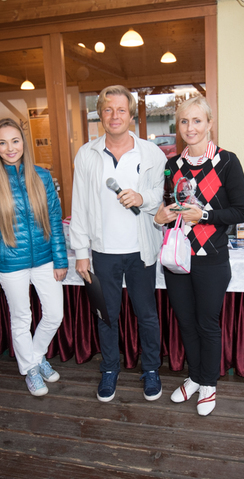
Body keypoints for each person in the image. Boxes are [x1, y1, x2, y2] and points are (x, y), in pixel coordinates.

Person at [70, 85, 167, 403]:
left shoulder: (151, 153)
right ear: (100, 114)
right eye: (108, 109)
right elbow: (79, 205)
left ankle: (150, 368)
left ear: (131, 115)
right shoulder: (87, 154)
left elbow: (159, 195)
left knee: (146, 314)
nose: (114, 116)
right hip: (103, 251)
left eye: (121, 110)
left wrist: (141, 197)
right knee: (106, 315)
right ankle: (110, 368)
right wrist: (81, 252)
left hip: (141, 249)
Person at [154, 95, 244, 416]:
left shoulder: (227, 161)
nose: (190, 127)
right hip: (178, 257)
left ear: (209, 124)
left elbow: (241, 211)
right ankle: (195, 376)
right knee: (186, 322)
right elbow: (168, 205)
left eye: (197, 120)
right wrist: (160, 215)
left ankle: (209, 383)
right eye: (184, 121)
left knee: (207, 324)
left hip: (211, 259)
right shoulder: (172, 165)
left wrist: (204, 216)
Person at [0, 118, 67, 397]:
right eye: (2, 143)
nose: (10, 148)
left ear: (24, 143)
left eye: (15, 141)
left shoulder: (41, 176)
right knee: (21, 318)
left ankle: (35, 358)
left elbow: (54, 220)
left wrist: (61, 260)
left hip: (45, 258)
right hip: (9, 263)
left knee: (55, 314)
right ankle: (30, 370)